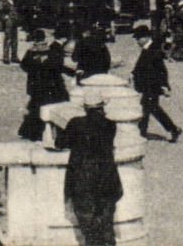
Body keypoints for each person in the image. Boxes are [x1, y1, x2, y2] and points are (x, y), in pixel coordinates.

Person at [57, 88, 122, 246]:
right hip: (106, 177)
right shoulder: (110, 125)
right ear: (102, 108)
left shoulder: (76, 123)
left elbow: (60, 143)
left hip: (82, 177)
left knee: (88, 225)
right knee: (106, 223)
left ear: (85, 108)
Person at [131, 23, 181, 142]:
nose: (137, 41)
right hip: (148, 85)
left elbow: (161, 69)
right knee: (149, 108)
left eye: (139, 38)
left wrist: (164, 85)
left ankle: (172, 129)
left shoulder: (153, 49)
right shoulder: (149, 48)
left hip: (152, 85)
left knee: (150, 108)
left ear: (146, 37)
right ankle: (143, 132)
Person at [18, 29, 69, 141]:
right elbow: (55, 66)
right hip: (48, 83)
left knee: (35, 107)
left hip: (34, 83)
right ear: (44, 38)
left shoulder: (31, 51)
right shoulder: (49, 50)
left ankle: (30, 131)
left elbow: (23, 65)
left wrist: (33, 69)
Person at [2, 0, 21, 65]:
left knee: (15, 40)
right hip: (8, 22)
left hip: (15, 22)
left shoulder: (15, 3)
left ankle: (14, 56)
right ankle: (6, 57)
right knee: (8, 39)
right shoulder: (5, 3)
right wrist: (4, 17)